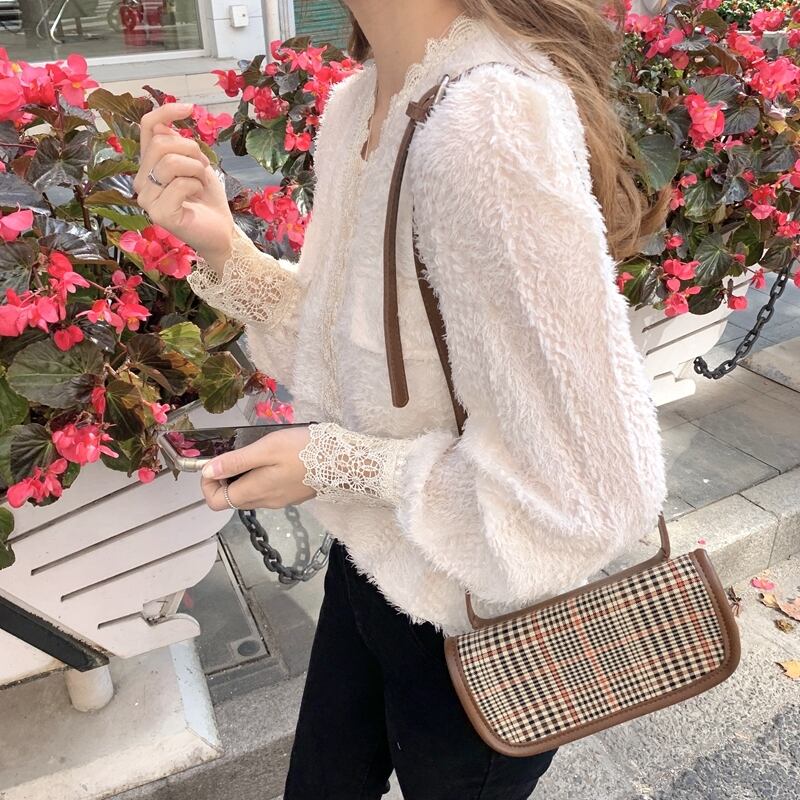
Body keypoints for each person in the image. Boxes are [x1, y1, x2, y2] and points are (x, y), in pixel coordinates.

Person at [134, 1, 670, 797]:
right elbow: (346, 351)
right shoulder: (361, 101)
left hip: (479, 618)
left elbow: (593, 494)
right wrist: (221, 245)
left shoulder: (488, 125)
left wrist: (335, 463)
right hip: (372, 564)